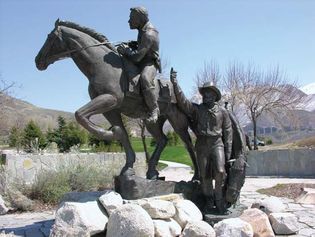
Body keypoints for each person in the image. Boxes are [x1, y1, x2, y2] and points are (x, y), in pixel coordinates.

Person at [170, 68, 233, 213]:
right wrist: (175, 84)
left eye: (208, 93)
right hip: (202, 145)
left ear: (214, 95)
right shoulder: (197, 109)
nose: (205, 95)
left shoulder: (223, 112)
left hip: (217, 144)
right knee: (204, 175)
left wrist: (228, 151)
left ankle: (219, 200)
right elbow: (183, 102)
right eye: (204, 93)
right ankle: (209, 201)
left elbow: (228, 131)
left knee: (220, 171)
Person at [117, 6, 161, 123]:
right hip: (142, 61)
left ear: (140, 19)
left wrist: (126, 51)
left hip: (149, 63)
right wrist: (134, 44)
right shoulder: (142, 30)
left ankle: (154, 109)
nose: (129, 21)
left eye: (132, 18)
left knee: (145, 78)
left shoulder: (149, 33)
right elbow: (141, 47)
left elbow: (137, 57)